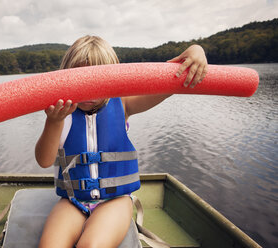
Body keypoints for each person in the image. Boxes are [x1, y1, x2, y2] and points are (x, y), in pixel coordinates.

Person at [35, 35, 208, 248]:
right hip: (72, 200)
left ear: (113, 79)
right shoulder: (62, 114)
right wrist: (53, 122)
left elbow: (167, 83)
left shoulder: (124, 103)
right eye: (80, 80)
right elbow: (44, 161)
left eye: (97, 81)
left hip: (114, 201)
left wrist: (195, 50)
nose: (89, 91)